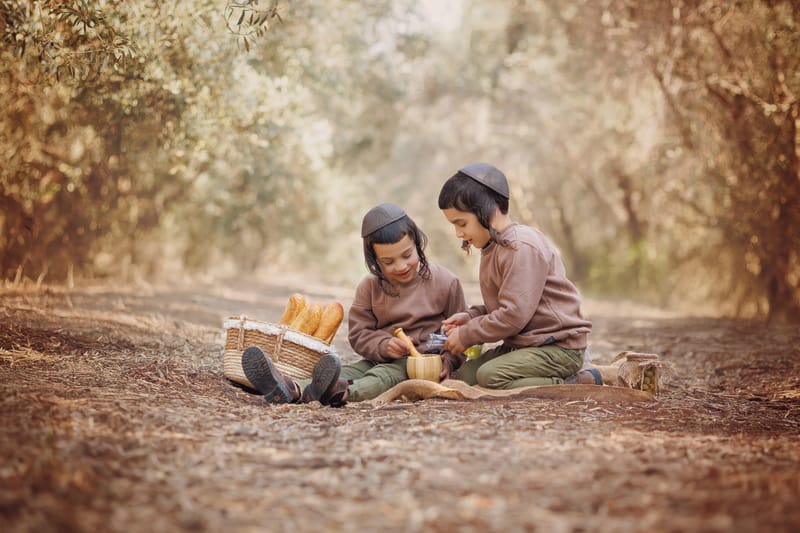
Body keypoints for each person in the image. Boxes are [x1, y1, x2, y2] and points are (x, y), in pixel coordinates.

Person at [241, 203, 467, 406]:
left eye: (407, 255)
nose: (401, 266)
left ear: (417, 243)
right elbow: (359, 335)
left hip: (418, 365)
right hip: (377, 359)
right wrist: (383, 345)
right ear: (374, 261)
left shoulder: (446, 282)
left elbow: (461, 334)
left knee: (382, 378)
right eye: (388, 262)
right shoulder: (369, 287)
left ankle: (342, 393)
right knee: (347, 370)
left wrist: (449, 360)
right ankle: (291, 388)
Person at [437, 162, 602, 389]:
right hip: (526, 345)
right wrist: (471, 317)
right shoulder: (493, 247)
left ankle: (577, 380)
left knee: (489, 376)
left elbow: (513, 316)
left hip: (557, 347)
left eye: (462, 223)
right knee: (463, 376)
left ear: (489, 211)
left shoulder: (520, 246)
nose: (458, 233)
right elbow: (503, 304)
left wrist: (467, 334)